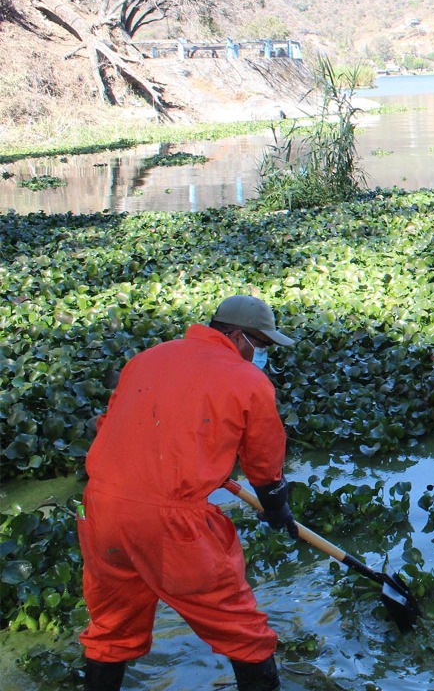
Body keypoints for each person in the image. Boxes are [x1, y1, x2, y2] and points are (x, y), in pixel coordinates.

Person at [78, 295, 300, 691]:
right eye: (261, 345)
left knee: (112, 629)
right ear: (236, 335)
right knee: (243, 632)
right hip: (170, 523)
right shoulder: (248, 380)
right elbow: (265, 466)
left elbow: (109, 426)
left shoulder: (147, 358)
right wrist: (277, 509)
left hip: (105, 509)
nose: (261, 354)